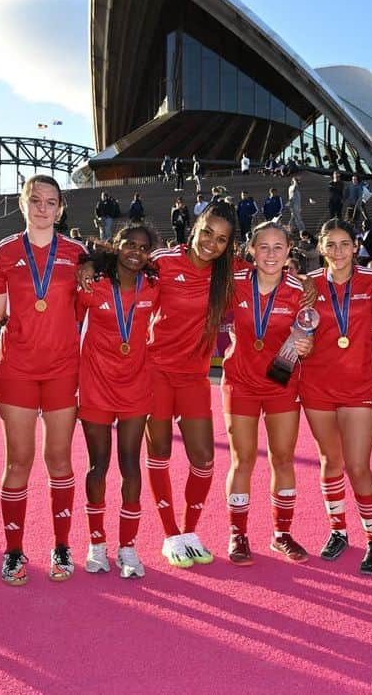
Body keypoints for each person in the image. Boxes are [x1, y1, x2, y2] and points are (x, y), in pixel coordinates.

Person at [81, 202, 239, 568]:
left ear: (228, 245)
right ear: (194, 227)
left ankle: (188, 531)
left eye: (221, 240)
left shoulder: (230, 275)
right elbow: (123, 260)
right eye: (206, 233)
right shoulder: (164, 261)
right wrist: (88, 264)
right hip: (155, 372)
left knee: (203, 458)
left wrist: (308, 284)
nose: (210, 244)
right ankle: (170, 534)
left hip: (195, 377)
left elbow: (271, 271)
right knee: (161, 453)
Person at [0, 175, 88, 585]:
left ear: (60, 208)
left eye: (51, 202)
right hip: (18, 369)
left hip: (63, 368)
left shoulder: (78, 253)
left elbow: (89, 309)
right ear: (22, 203)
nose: (43, 208)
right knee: (19, 461)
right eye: (35, 200)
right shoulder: (6, 251)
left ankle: (61, 546)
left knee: (59, 460)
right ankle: (13, 551)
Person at [223, 222, 312, 565]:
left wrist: (306, 343)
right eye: (264, 247)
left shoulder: (300, 290)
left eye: (278, 247)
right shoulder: (235, 283)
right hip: (240, 382)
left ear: (290, 251)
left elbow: (309, 333)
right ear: (251, 250)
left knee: (283, 459)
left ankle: (281, 534)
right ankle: (237, 534)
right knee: (242, 460)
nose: (271, 254)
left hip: (281, 383)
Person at [299, 220, 372, 571]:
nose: (338, 251)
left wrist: (352, 345)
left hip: (360, 386)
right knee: (330, 462)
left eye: (344, 244)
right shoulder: (309, 285)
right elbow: (299, 327)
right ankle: (338, 531)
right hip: (317, 385)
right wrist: (308, 344)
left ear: (356, 247)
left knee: (357, 465)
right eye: (330, 245)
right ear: (321, 248)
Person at [76, 225, 161, 579]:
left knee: (130, 465)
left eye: (143, 248)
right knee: (98, 466)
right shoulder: (92, 284)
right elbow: (66, 267)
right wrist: (84, 262)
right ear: (117, 246)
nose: (135, 252)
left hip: (135, 386)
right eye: (129, 245)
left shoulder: (154, 287)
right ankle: (97, 544)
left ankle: (127, 547)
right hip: (95, 384)